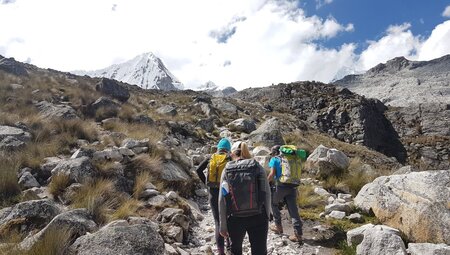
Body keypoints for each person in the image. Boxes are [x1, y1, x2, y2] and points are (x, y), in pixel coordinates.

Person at [218, 141, 272, 255]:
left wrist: (223, 224)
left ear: (233, 153)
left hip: (235, 218)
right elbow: (267, 193)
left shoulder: (227, 169)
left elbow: (222, 199)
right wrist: (267, 214)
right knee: (259, 251)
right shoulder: (257, 166)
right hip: (258, 216)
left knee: (235, 251)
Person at [195, 138, 232, 255]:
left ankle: (221, 252)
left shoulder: (211, 157)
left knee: (218, 222)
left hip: (213, 192)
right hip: (226, 193)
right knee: (229, 219)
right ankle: (230, 247)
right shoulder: (230, 158)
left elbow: (198, 170)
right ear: (229, 149)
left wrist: (206, 184)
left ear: (218, 148)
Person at [267, 145, 303, 243]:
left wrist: (265, 183)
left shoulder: (274, 159)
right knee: (293, 210)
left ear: (275, 152)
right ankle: (298, 234)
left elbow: (271, 174)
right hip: (292, 187)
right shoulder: (292, 159)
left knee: (273, 203)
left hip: (280, 187)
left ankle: (278, 226)